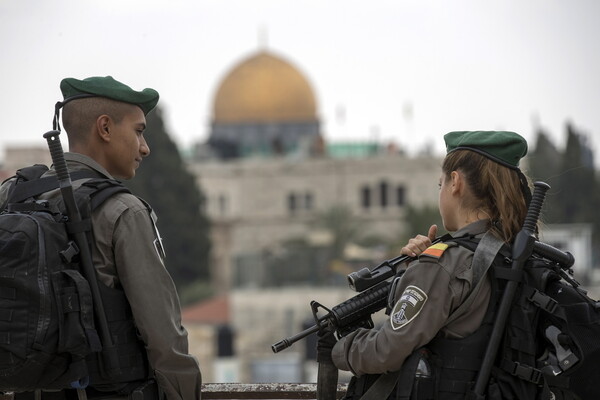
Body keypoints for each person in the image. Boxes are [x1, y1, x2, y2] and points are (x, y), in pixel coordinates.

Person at [1, 76, 201, 399]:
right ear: (105, 128)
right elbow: (165, 336)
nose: (145, 148)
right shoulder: (123, 211)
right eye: (138, 131)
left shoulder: (13, 194)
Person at [318, 131, 532, 400]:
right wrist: (413, 271)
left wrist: (340, 347)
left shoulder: (443, 264)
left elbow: (387, 351)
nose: (440, 192)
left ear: (455, 183)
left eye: (439, 184)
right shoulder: (516, 253)